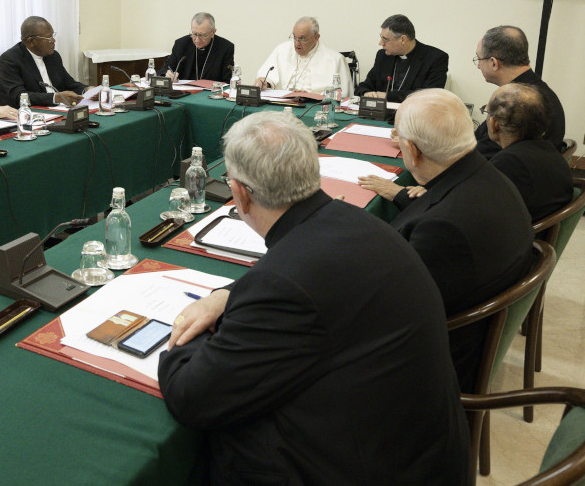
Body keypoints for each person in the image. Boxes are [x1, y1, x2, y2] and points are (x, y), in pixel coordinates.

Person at [159, 111, 469, 485]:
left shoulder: (285, 285)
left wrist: (180, 331)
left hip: (366, 467)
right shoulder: (356, 221)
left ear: (239, 193)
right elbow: (304, 278)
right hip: (418, 452)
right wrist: (225, 295)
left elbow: (192, 397)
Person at [377, 89, 535, 392]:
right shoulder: (488, 175)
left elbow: (391, 314)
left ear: (412, 149)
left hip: (435, 369)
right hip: (470, 322)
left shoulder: (442, 229)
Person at [473, 24, 565, 159]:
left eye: (479, 59)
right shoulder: (538, 92)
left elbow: (481, 154)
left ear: (494, 63)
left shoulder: (518, 102)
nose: (478, 66)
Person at [484, 83, 572, 221]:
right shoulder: (551, 153)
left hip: (518, 239)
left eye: (487, 112)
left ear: (494, 123)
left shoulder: (509, 163)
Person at [0, 16, 88, 108]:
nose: (53, 40)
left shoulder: (53, 56)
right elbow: (19, 96)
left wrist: (86, 90)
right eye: (48, 38)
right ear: (31, 41)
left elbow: (69, 83)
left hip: (58, 110)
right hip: (28, 114)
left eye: (53, 35)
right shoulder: (9, 60)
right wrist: (56, 98)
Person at [355, 14, 448, 101]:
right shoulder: (383, 56)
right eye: (381, 37)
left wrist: (387, 96)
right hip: (379, 115)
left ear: (403, 39)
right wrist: (366, 93)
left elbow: (429, 95)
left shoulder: (436, 58)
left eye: (385, 39)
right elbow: (364, 86)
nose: (381, 43)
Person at [253, 16, 352, 94]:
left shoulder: (336, 59)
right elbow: (267, 78)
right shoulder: (281, 50)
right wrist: (265, 82)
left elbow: (343, 95)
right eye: (294, 37)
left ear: (316, 37)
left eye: (302, 39)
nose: (297, 43)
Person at [158, 12, 235, 83]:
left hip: (210, 94)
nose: (197, 40)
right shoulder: (181, 44)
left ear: (213, 32)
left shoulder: (225, 48)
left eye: (202, 35)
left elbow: (227, 80)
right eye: (194, 34)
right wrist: (167, 74)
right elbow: (164, 69)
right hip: (183, 94)